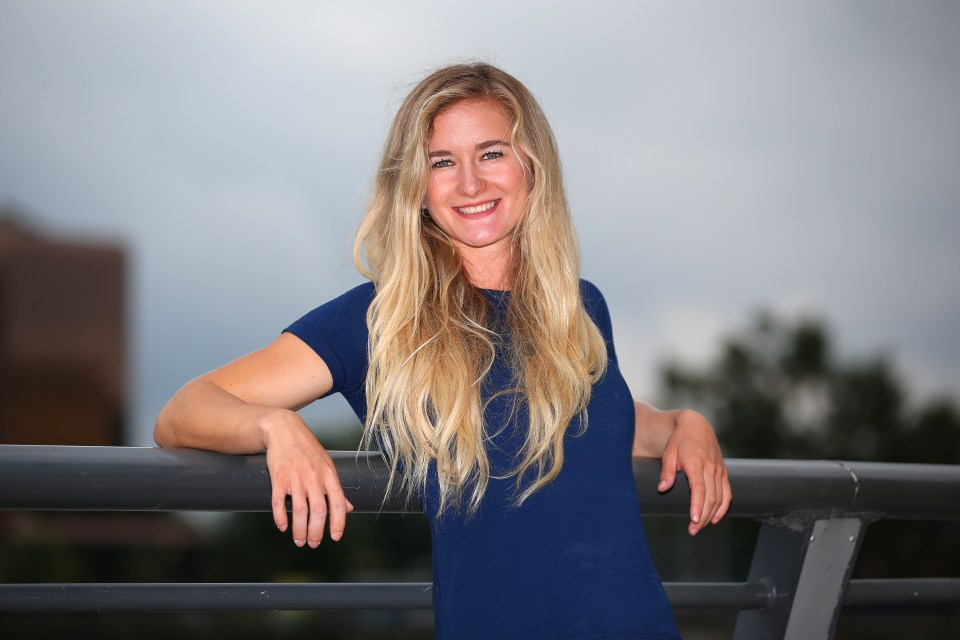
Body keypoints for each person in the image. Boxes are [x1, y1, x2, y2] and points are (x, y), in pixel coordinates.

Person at [155, 62, 732, 639]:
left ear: (532, 165)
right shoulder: (380, 319)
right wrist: (273, 427)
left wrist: (686, 423)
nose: (471, 184)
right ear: (415, 186)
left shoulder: (579, 306)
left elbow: (594, 428)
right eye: (441, 163)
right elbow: (183, 411)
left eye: (491, 153)